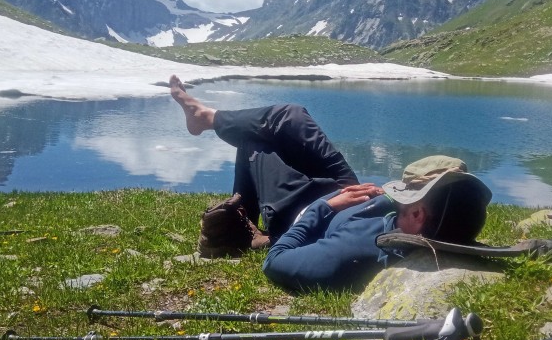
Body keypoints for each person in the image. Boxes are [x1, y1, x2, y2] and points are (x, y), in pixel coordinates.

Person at [169, 75, 492, 291]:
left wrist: (323, 208)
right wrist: (375, 195)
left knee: (256, 142)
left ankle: (242, 225)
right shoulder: (425, 222)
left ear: (419, 215)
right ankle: (208, 119)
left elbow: (276, 263)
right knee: (290, 116)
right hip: (348, 193)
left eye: (409, 197)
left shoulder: (357, 249)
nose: (401, 197)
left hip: (302, 210)